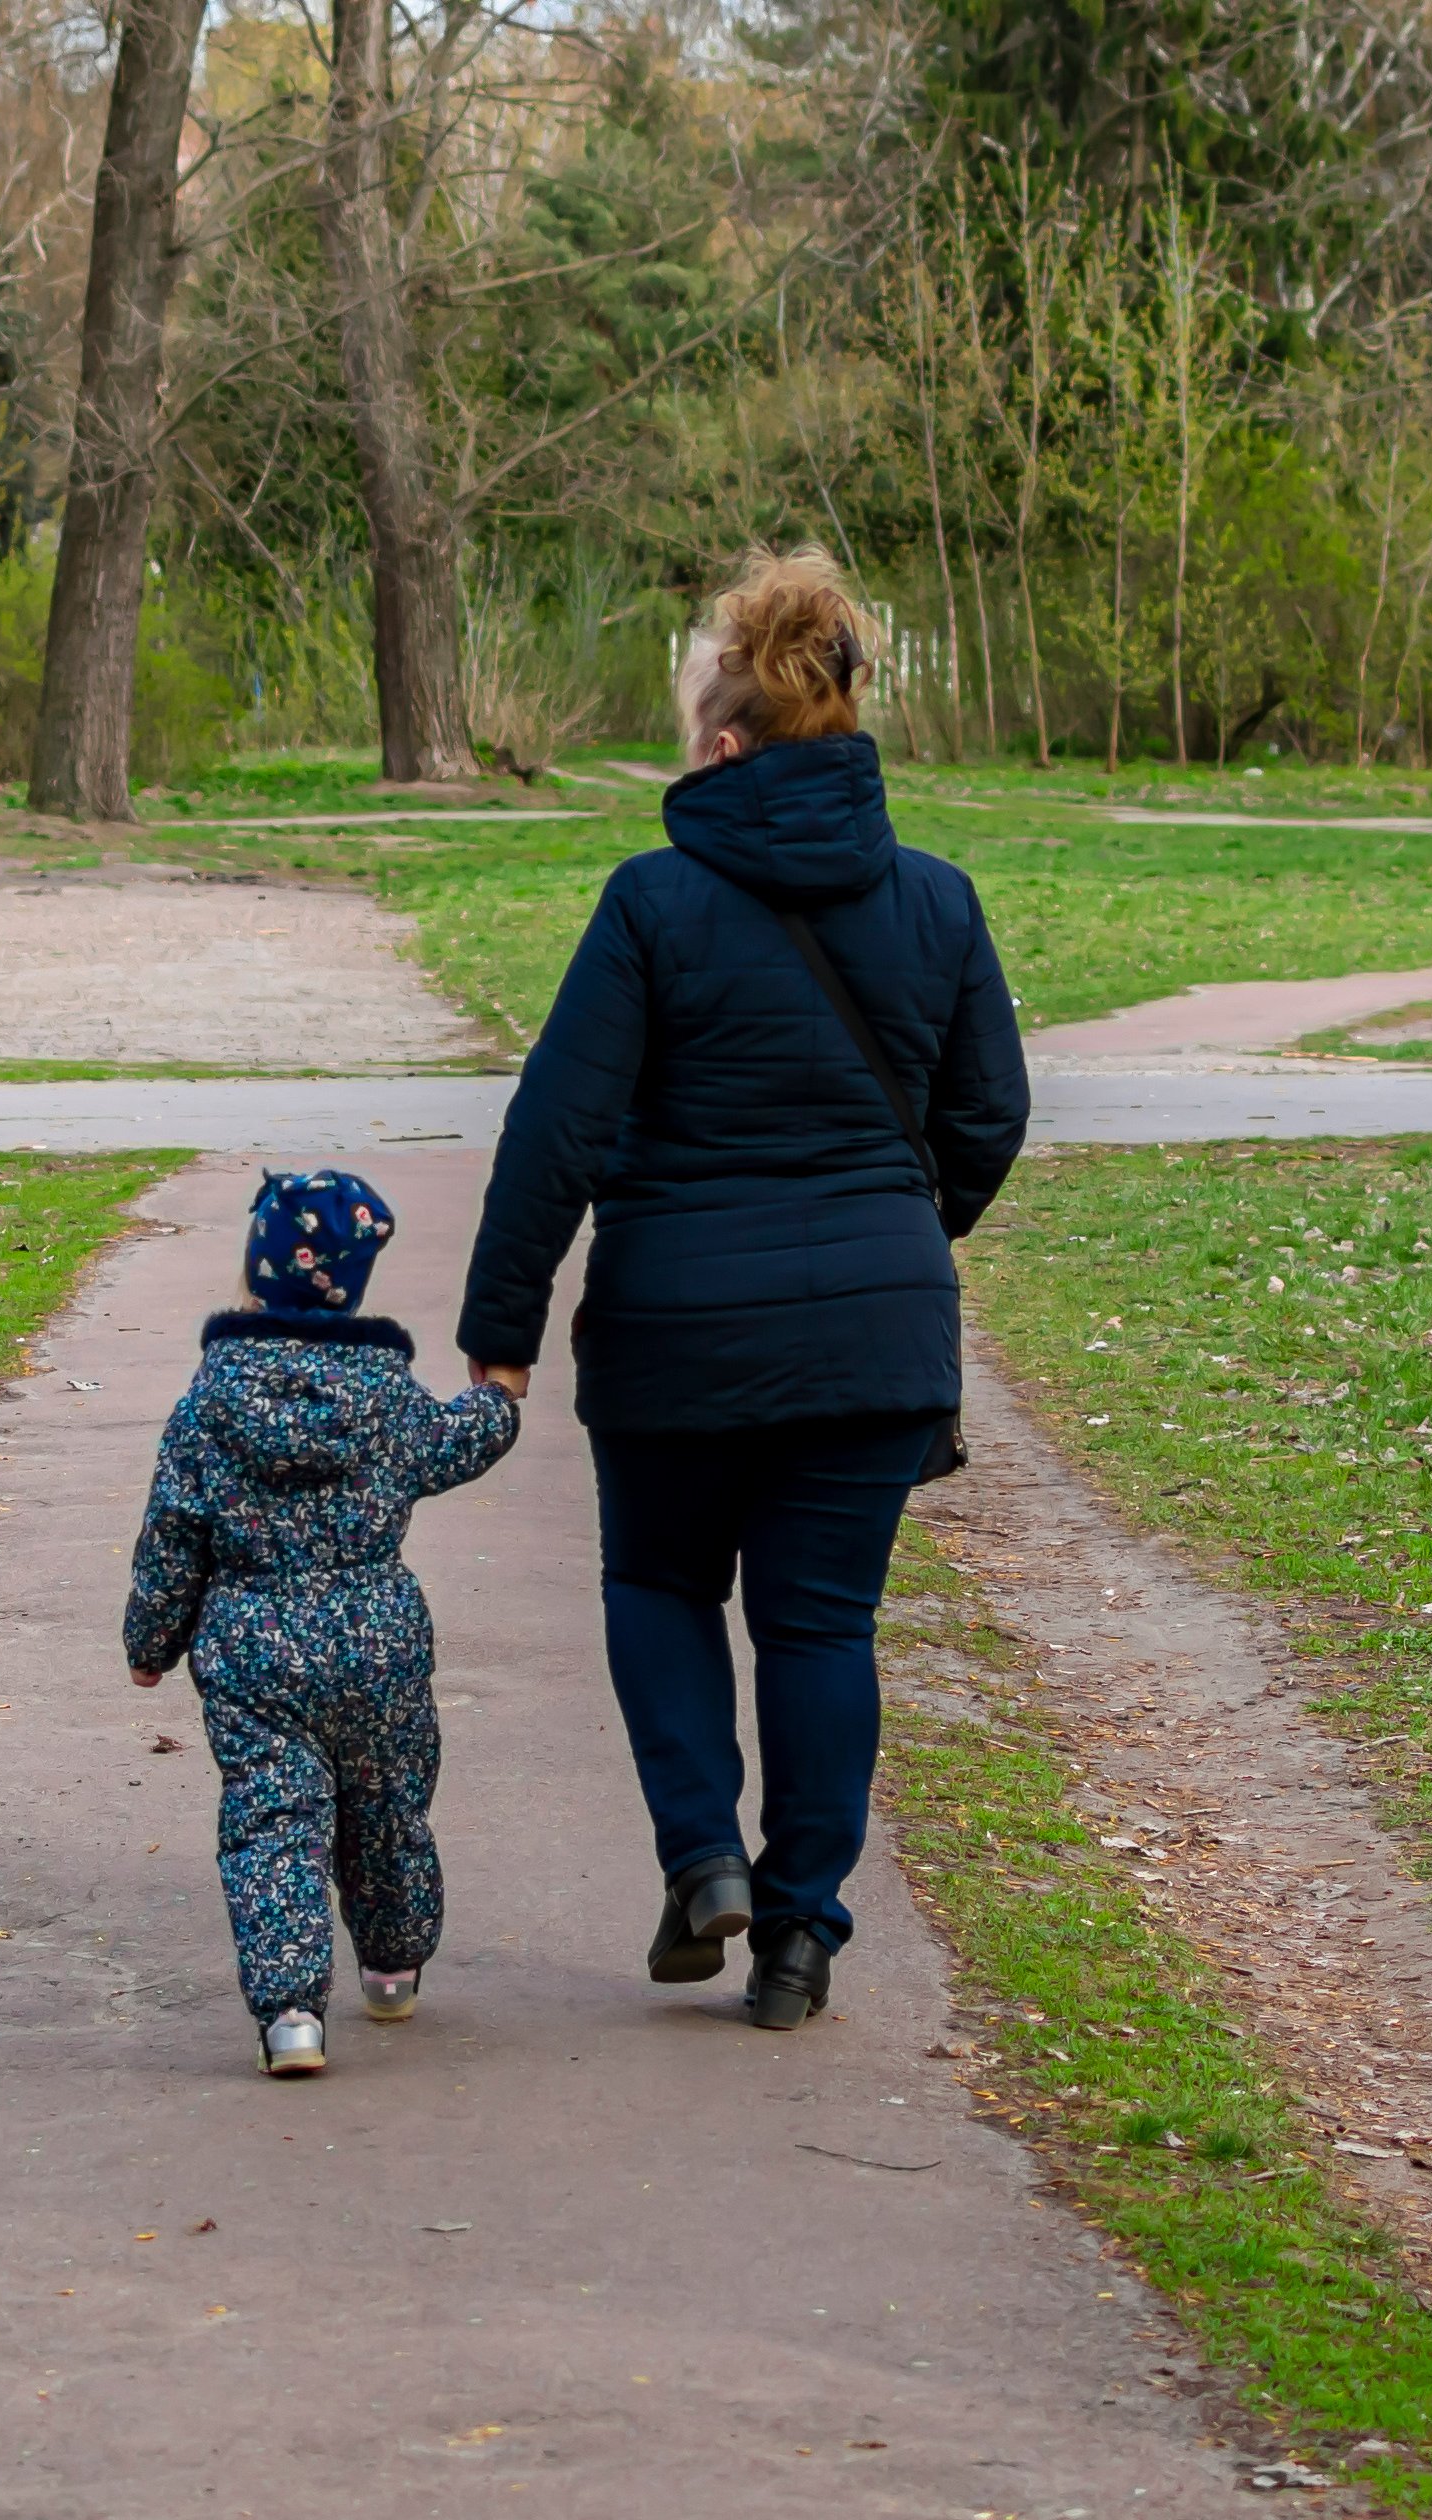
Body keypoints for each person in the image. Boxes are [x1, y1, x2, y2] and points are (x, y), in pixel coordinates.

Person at [455, 550, 1032, 2033]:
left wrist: (499, 1339)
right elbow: (987, 1117)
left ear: (723, 745)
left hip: (678, 1328)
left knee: (660, 1582)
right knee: (821, 1626)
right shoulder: (941, 902)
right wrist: (895, 1240)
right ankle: (800, 1935)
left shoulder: (652, 904)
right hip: (874, 1337)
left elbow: (557, 1128)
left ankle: (704, 1851)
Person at [124, 1168, 527, 2078]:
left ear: (254, 1268)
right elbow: (460, 1438)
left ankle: (292, 2014)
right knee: (387, 1810)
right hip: (376, 1638)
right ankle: (391, 1967)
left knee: (271, 1825)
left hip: (253, 1646)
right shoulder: (385, 1398)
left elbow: (173, 1532)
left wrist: (152, 1641)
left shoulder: (210, 1404)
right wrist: (501, 1396)